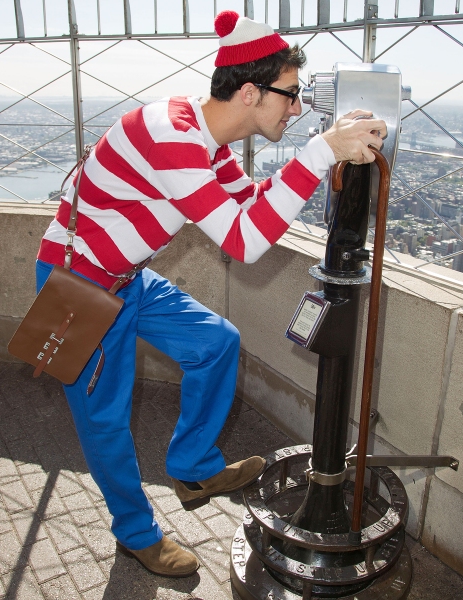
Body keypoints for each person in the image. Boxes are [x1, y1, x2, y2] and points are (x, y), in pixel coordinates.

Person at [36, 10, 386, 578]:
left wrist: (323, 161)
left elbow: (251, 203)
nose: (296, 110)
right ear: (251, 92)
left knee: (216, 342)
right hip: (78, 282)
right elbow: (245, 242)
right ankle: (136, 534)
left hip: (126, 277)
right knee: (105, 418)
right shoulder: (170, 134)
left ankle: (193, 462)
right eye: (290, 95)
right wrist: (320, 151)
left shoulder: (206, 142)